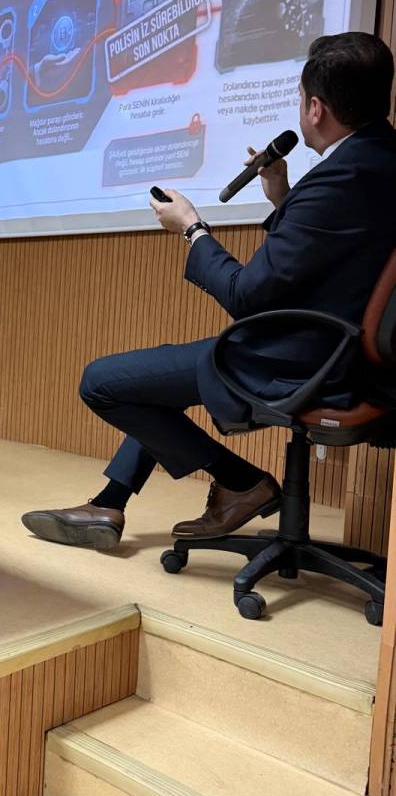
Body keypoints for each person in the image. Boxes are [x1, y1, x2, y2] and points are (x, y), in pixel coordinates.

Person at [22, 32, 396, 551]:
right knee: (156, 379)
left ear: (315, 107)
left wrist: (192, 228)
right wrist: (283, 195)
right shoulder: (379, 162)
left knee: (102, 382)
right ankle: (110, 502)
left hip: (298, 361)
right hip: (343, 354)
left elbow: (246, 294)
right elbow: (332, 253)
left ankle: (241, 483)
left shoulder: (340, 178)